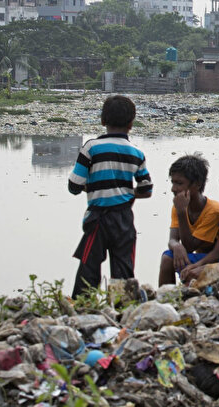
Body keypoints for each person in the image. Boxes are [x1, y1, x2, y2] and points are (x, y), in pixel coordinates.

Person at [68, 95, 153, 298]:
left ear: (102, 120)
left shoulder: (91, 148)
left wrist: (94, 187)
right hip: (124, 218)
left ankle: (82, 308)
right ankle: (122, 310)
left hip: (99, 217)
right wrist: (124, 190)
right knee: (123, 268)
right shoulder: (136, 153)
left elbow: (74, 185)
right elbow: (146, 189)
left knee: (89, 267)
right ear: (131, 124)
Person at [158, 154, 219, 286]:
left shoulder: (213, 211)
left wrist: (181, 213)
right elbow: (173, 239)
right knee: (167, 258)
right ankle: (165, 298)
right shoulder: (179, 206)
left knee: (173, 261)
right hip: (200, 258)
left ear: (197, 184)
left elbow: (190, 246)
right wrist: (176, 246)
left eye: (179, 183)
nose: (173, 189)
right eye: (173, 182)